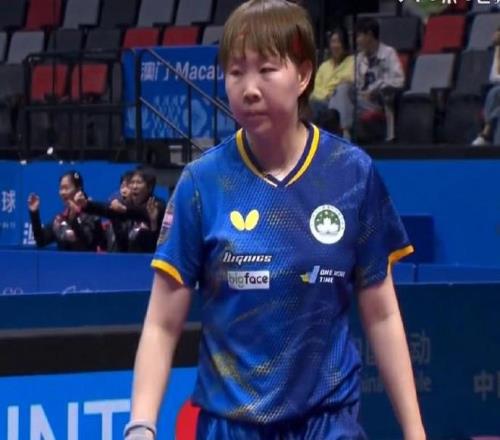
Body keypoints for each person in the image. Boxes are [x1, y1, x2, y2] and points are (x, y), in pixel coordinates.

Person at [126, 1, 425, 440]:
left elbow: (381, 315)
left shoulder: (351, 174)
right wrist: (141, 424)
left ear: (303, 75)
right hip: (232, 427)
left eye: (266, 70)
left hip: (328, 425)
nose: (249, 89)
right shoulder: (201, 183)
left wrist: (415, 432)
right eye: (235, 72)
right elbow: (161, 323)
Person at [330, 18, 404, 142]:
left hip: (379, 102)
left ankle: (343, 136)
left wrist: (375, 89)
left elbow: (399, 81)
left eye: (359, 36)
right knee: (341, 91)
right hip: (361, 101)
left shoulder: (388, 53)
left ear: (369, 35)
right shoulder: (360, 58)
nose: (357, 41)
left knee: (341, 97)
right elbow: (357, 84)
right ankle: (343, 132)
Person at [76, 169, 166, 253]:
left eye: (139, 183)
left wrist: (125, 209)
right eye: (132, 182)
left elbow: (141, 212)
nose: (134, 186)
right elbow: (106, 209)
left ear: (149, 187)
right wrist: (86, 205)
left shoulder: (157, 204)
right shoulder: (125, 206)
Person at [27, 170, 104, 251]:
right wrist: (34, 213)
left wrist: (74, 218)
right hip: (63, 259)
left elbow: (87, 242)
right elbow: (41, 240)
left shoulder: (91, 214)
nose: (62, 192)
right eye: (61, 188)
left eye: (66, 188)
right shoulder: (60, 219)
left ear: (78, 190)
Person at [309, 27, 354, 133]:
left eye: (339, 42)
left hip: (340, 102)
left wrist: (331, 91)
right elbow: (315, 88)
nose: (335, 45)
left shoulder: (352, 62)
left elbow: (348, 80)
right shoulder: (324, 66)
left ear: (344, 44)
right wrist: (327, 94)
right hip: (321, 102)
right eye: (333, 42)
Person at [472, 26, 500, 146]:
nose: (494, 36)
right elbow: (493, 77)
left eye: (497, 33)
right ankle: (488, 134)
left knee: (495, 92)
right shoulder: (495, 52)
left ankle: (486, 132)